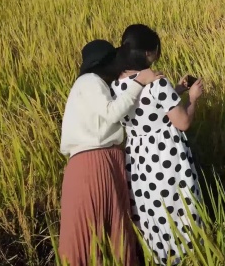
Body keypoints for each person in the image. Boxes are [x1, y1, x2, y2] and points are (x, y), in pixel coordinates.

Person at [58, 39, 162, 266]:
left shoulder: (98, 85)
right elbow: (112, 113)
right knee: (91, 230)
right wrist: (140, 81)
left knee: (114, 227)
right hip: (94, 162)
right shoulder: (89, 81)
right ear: (103, 63)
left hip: (103, 160)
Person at [111, 24, 204, 266]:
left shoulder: (117, 84)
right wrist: (192, 99)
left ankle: (160, 258)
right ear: (147, 54)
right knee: (178, 206)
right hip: (165, 155)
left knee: (154, 210)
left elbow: (148, 108)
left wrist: (180, 90)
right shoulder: (157, 83)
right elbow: (182, 122)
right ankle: (190, 258)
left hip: (139, 158)